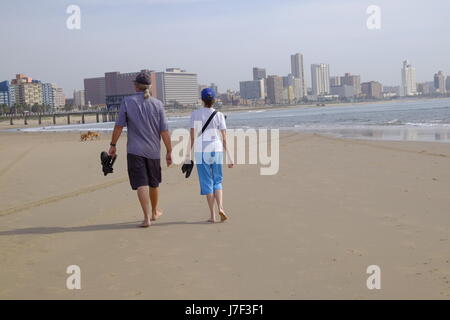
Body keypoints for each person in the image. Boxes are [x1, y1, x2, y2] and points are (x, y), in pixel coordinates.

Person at [108, 71, 172, 228]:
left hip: (135, 150)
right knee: (153, 183)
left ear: (136, 86)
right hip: (153, 151)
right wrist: (169, 151)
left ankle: (146, 218)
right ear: (149, 87)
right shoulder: (157, 104)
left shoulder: (127, 102)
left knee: (141, 183)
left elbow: (119, 126)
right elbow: (164, 131)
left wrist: (113, 145)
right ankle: (155, 212)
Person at [187, 88, 233, 223]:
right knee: (217, 181)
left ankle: (212, 215)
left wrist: (188, 154)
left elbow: (192, 136)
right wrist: (230, 156)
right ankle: (221, 208)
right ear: (214, 100)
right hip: (217, 149)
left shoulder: (195, 114)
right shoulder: (219, 115)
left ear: (202, 100)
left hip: (201, 150)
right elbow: (224, 137)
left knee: (207, 181)